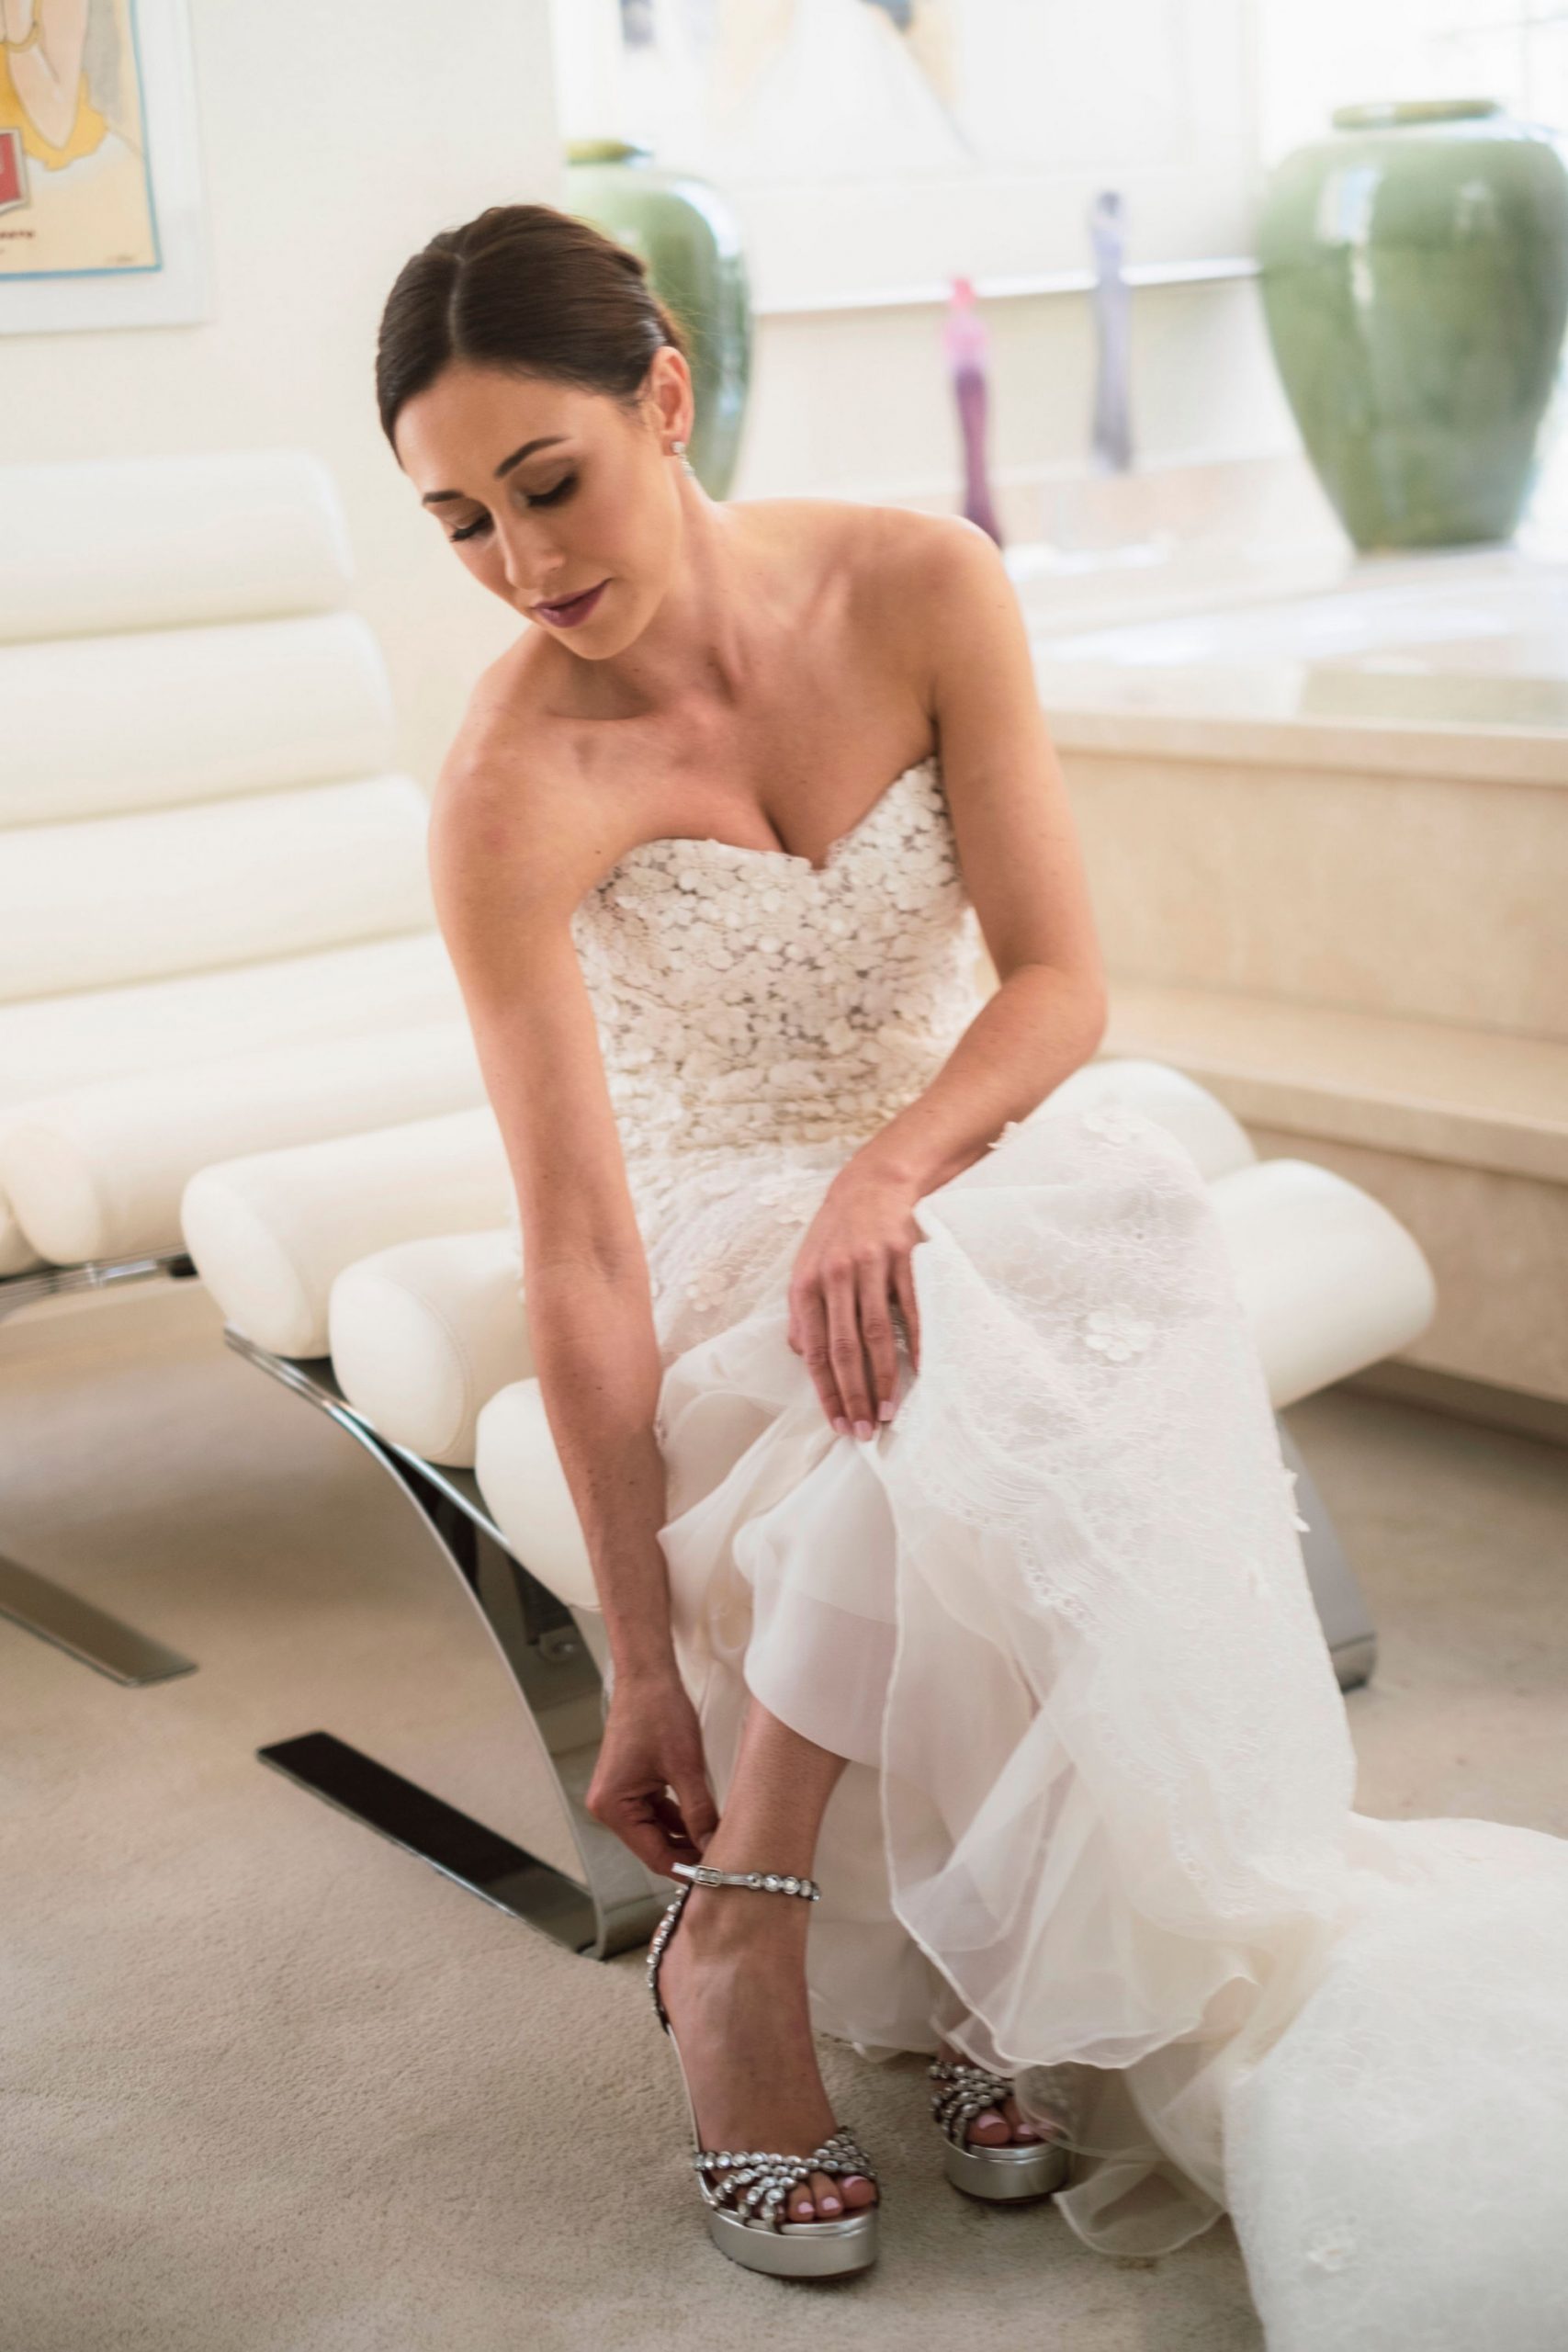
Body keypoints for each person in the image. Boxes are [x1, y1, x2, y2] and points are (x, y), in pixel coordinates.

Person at [376, 202, 1568, 2335]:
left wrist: (895, 1169)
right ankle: (750, 1934)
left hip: (953, 1146)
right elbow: (573, 1234)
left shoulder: (921, 583)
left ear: (665, 396)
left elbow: (1054, 978)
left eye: (546, 483)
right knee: (901, 1377)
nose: (521, 561)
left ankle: (874, 1938)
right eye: (460, 521)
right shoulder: (504, 782)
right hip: (721, 1205)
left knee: (1085, 1240)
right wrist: (635, 1663)